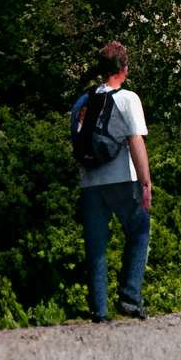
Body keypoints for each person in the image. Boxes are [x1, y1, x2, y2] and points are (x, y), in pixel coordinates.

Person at [72, 41, 152, 321]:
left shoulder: (82, 101)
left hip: (89, 182)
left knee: (95, 244)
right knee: (139, 229)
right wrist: (145, 183)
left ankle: (99, 309)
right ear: (124, 69)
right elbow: (135, 142)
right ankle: (130, 297)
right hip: (121, 179)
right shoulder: (128, 98)